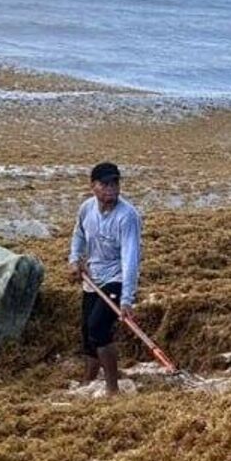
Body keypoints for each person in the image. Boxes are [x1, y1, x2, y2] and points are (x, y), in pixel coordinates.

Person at [68, 161, 142, 396]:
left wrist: (127, 299)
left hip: (116, 277)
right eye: (105, 183)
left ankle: (113, 389)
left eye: (115, 183)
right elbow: (78, 234)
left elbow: (130, 258)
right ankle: (89, 380)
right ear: (93, 187)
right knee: (87, 334)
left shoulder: (127, 216)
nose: (111, 188)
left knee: (98, 327)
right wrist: (75, 259)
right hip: (92, 278)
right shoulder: (86, 209)